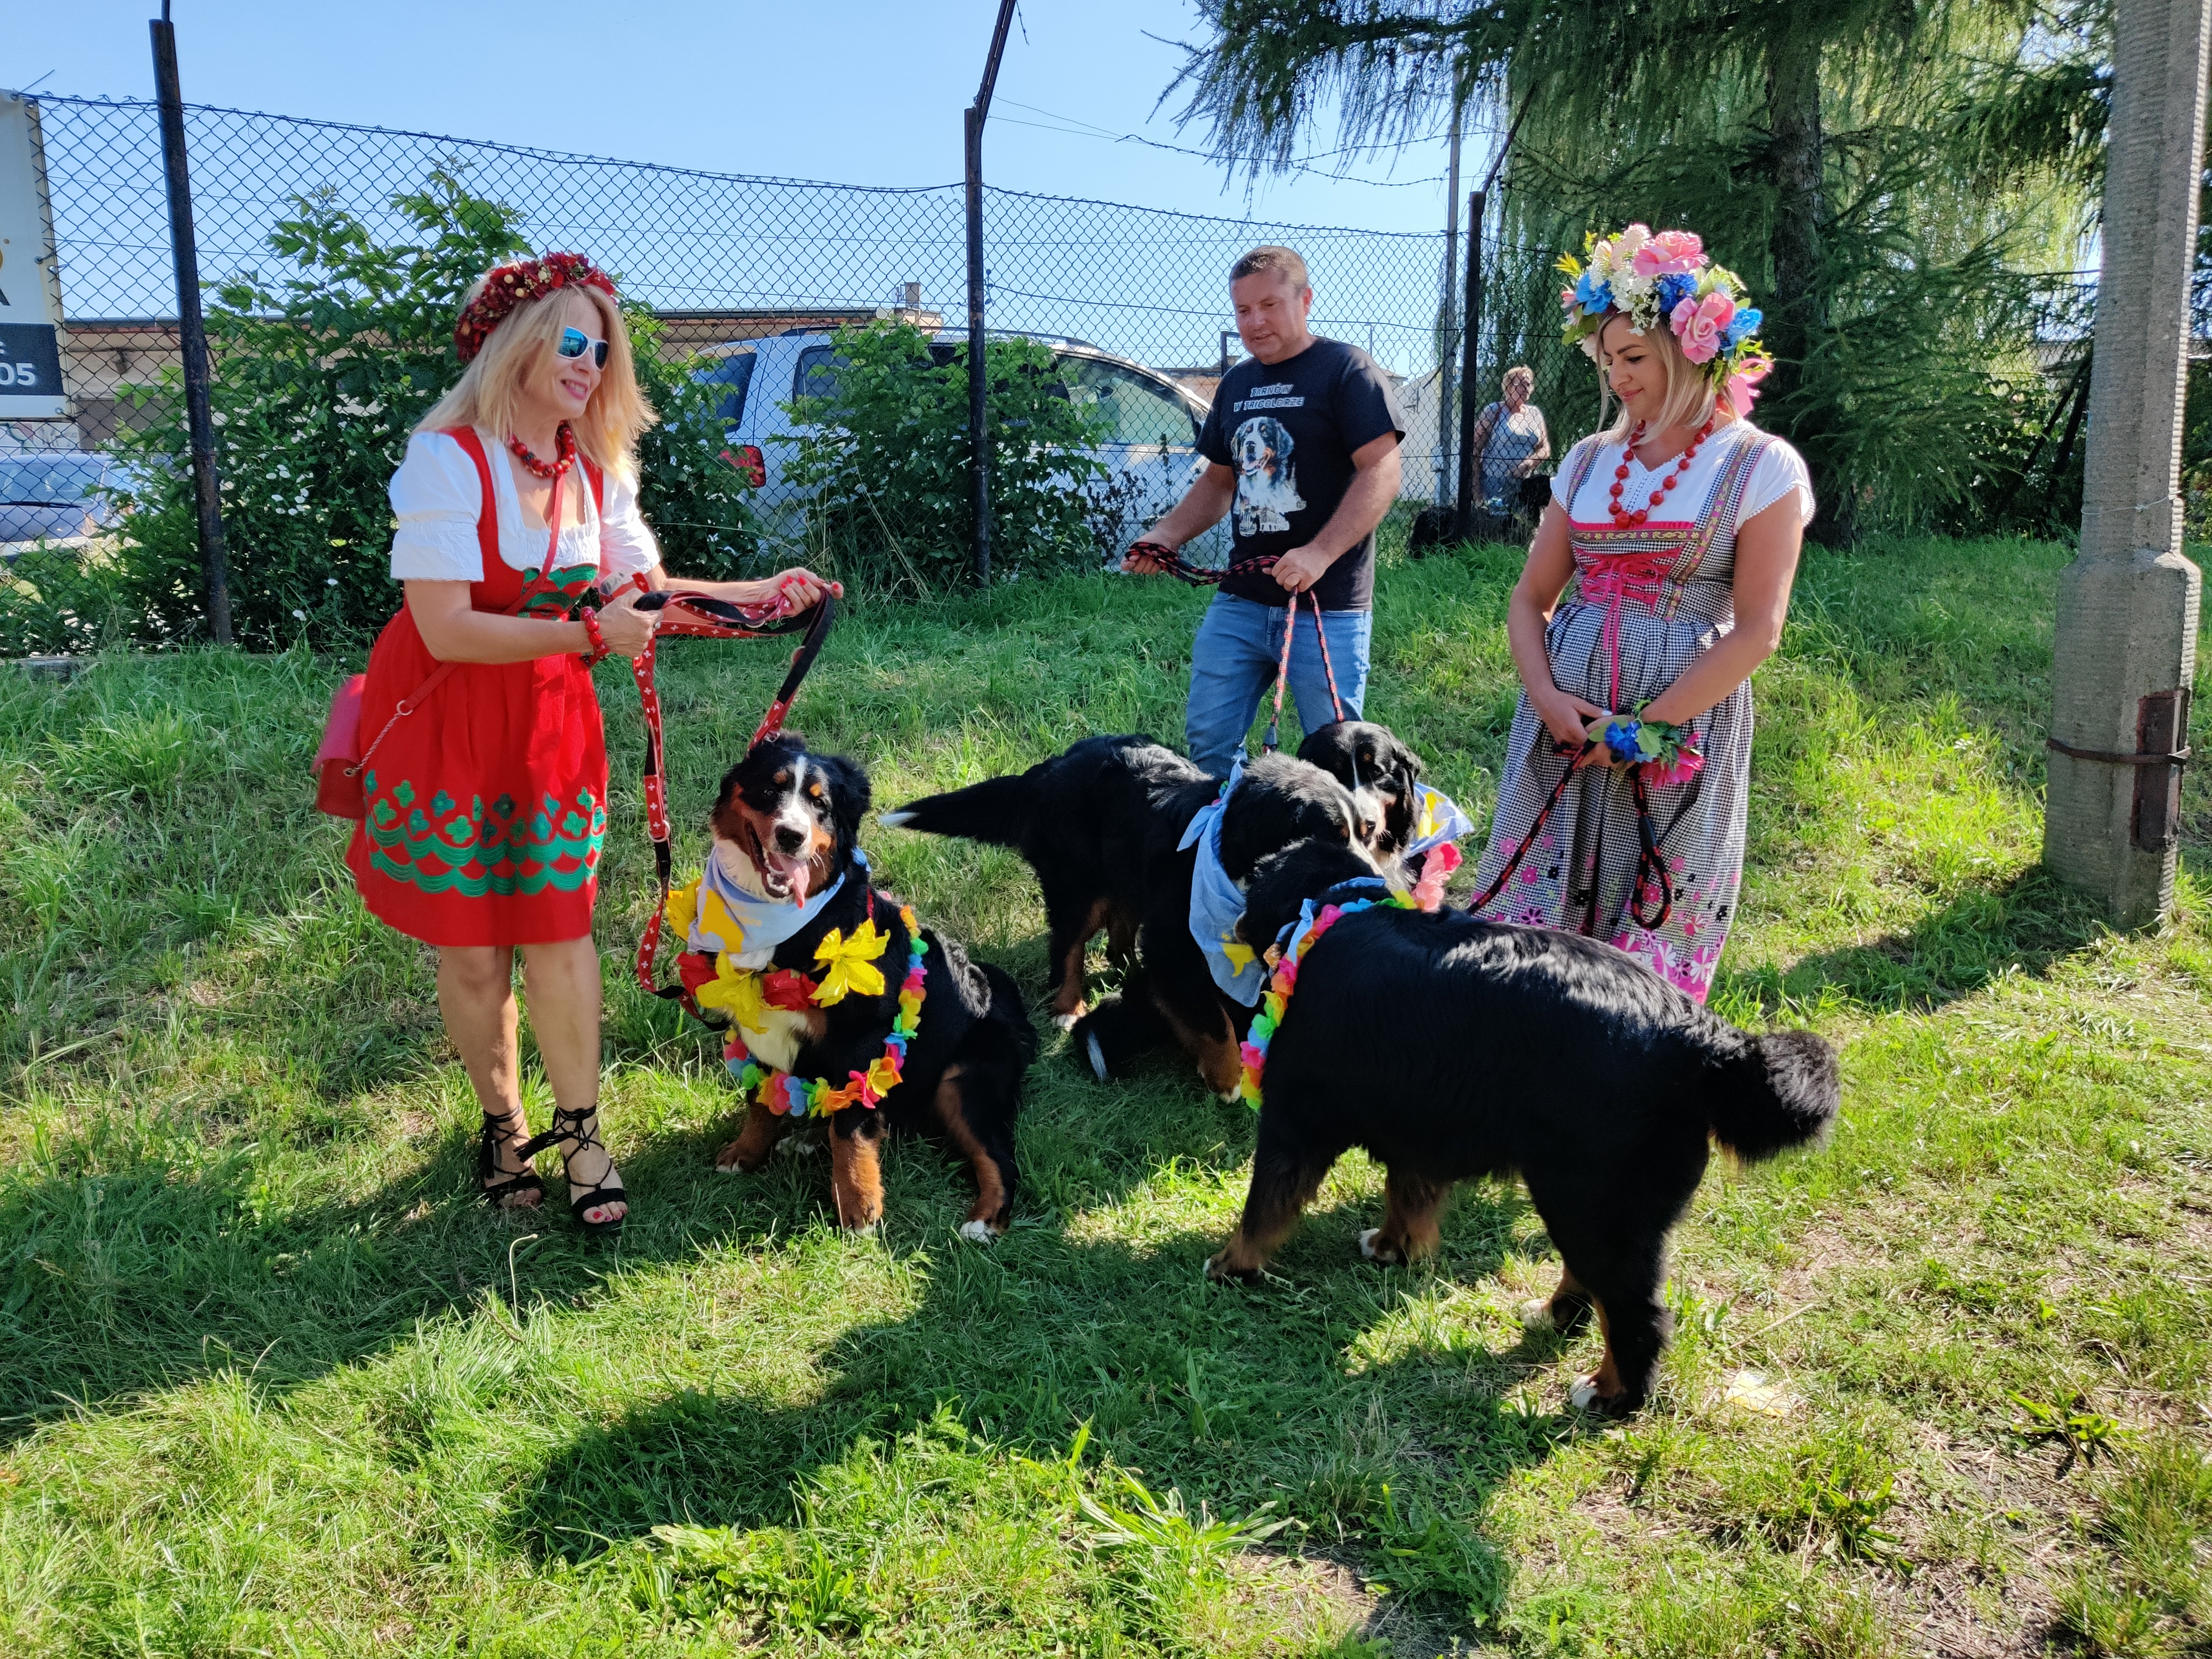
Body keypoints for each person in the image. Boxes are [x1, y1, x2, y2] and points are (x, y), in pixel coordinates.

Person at [346, 253, 838, 1234]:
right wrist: (583, 634)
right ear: (514, 345)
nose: (588, 363)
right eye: (571, 341)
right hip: (449, 715)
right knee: (477, 947)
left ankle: (582, 1133)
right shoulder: (446, 455)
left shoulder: (597, 466)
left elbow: (635, 596)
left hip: (547, 722)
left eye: (601, 348)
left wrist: (754, 599)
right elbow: (445, 628)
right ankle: (501, 1122)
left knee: (561, 930)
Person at [1466, 224, 1811, 1003]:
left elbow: (1760, 628)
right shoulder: (1589, 460)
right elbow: (1530, 599)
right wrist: (1550, 701)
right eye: (1608, 359)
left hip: (1678, 728)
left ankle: (1632, 1089)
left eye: (1635, 360)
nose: (1617, 379)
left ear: (1692, 354)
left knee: (1643, 952)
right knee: (1533, 942)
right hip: (1562, 726)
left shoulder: (1760, 465)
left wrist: (1643, 728)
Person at [1121, 246, 1406, 778]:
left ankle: (1333, 854)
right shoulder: (1236, 384)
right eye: (1243, 310)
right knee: (1209, 742)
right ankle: (1230, 846)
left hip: (1329, 603)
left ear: (1306, 300)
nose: (1255, 322)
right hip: (1243, 599)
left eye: (1270, 305)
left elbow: (1383, 472)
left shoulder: (1347, 370)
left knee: (1339, 755)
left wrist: (1319, 552)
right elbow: (1219, 482)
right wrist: (1165, 536)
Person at [1466, 365, 1552, 518]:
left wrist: (1528, 464)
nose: (1526, 388)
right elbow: (1475, 450)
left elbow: (1545, 448)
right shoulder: (1494, 411)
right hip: (1495, 482)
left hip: (1525, 486)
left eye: (1529, 384)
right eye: (1521, 384)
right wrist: (1476, 488)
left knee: (1522, 528)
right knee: (1497, 526)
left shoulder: (1535, 414)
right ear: (1509, 387)